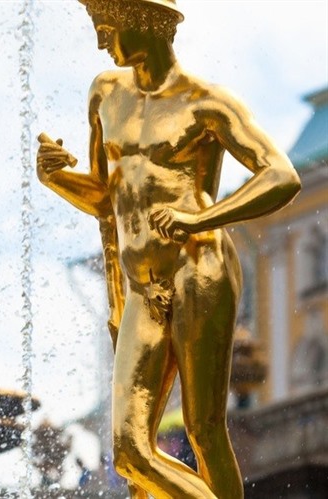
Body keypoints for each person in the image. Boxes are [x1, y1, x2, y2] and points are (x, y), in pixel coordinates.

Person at [36, 1, 301, 498]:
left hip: (198, 268)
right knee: (129, 451)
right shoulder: (105, 94)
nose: (101, 43)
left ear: (146, 22)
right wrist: (55, 179)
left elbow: (282, 176)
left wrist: (201, 217)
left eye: (108, 29)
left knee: (203, 431)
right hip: (142, 284)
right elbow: (103, 197)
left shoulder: (205, 103)